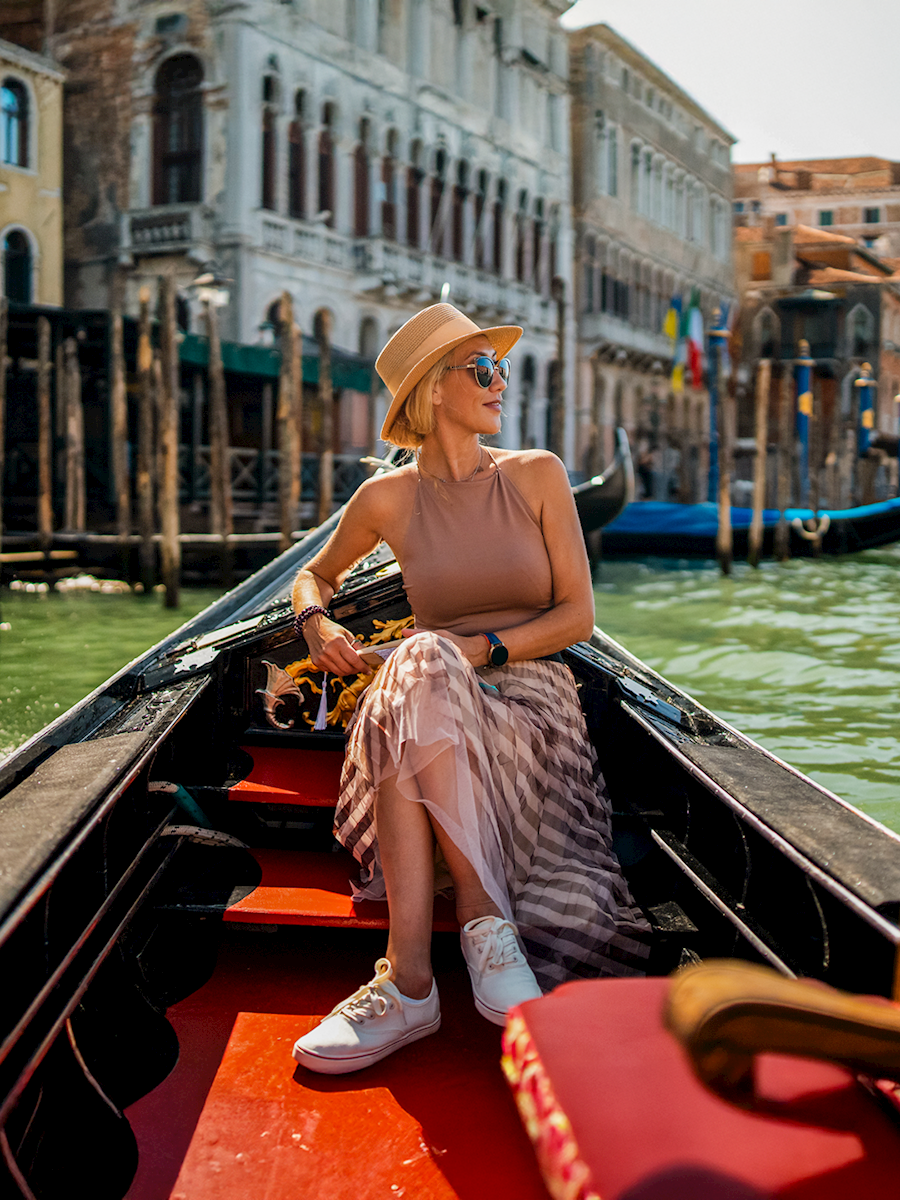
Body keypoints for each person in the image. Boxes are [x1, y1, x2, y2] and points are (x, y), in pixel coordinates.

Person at [291, 304, 649, 1075]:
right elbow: (313, 573)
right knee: (421, 665)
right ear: (431, 390)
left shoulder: (538, 474)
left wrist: (478, 648)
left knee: (423, 661)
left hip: (532, 700)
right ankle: (443, 961)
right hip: (433, 698)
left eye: (501, 369)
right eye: (481, 369)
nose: (499, 384)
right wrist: (317, 625)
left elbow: (578, 619)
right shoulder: (385, 500)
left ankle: (423, 972)